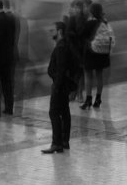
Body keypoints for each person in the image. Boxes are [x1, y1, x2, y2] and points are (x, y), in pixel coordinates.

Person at [42, 20, 79, 154]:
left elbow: (61, 69)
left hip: (60, 86)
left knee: (54, 113)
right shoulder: (65, 45)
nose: (50, 32)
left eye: (53, 30)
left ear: (60, 32)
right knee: (64, 112)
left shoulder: (61, 47)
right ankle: (64, 141)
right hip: (63, 85)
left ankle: (57, 143)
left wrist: (57, 86)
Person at [81, 2, 113, 110]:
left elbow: (82, 35)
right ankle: (98, 99)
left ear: (91, 12)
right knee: (99, 75)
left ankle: (88, 99)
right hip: (103, 53)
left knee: (88, 75)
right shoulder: (105, 22)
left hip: (91, 52)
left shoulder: (90, 23)